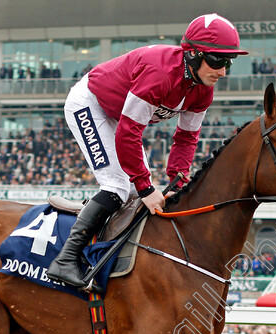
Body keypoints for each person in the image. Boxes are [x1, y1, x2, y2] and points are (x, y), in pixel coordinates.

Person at [47, 13, 248, 288]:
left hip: (119, 116)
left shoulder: (203, 90)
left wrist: (178, 181)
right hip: (90, 104)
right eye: (216, 60)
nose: (223, 71)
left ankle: (107, 256)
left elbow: (187, 138)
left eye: (228, 62)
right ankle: (65, 260)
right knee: (119, 187)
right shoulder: (160, 75)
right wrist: (145, 187)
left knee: (135, 191)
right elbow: (128, 133)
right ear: (192, 55)